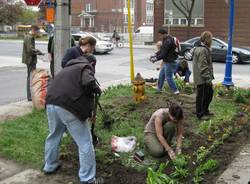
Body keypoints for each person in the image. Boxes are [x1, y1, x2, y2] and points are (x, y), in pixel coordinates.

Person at [43, 54, 104, 184]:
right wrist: (97, 89)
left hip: (51, 103)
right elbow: (88, 82)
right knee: (85, 142)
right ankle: (87, 179)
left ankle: (50, 166)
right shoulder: (85, 67)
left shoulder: (67, 68)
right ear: (92, 63)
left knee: (54, 135)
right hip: (68, 106)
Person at [150, 28, 179, 94]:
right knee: (161, 75)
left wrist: (155, 59)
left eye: (160, 35)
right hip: (167, 61)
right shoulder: (166, 39)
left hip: (170, 62)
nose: (160, 37)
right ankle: (159, 89)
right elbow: (162, 50)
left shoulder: (168, 41)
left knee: (168, 77)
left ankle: (176, 91)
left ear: (164, 34)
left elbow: (163, 54)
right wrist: (155, 54)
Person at [192, 31, 214, 120]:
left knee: (209, 94)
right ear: (207, 39)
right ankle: (200, 114)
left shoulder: (202, 48)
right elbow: (203, 66)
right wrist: (207, 78)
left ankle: (205, 110)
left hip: (203, 77)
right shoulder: (202, 50)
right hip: (202, 78)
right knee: (201, 96)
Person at [22, 25, 44, 101]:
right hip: (30, 60)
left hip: (30, 60)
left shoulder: (29, 37)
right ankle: (30, 96)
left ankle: (30, 96)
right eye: (37, 32)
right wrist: (39, 52)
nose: (37, 33)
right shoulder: (29, 37)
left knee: (30, 77)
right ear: (34, 30)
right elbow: (30, 50)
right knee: (30, 78)